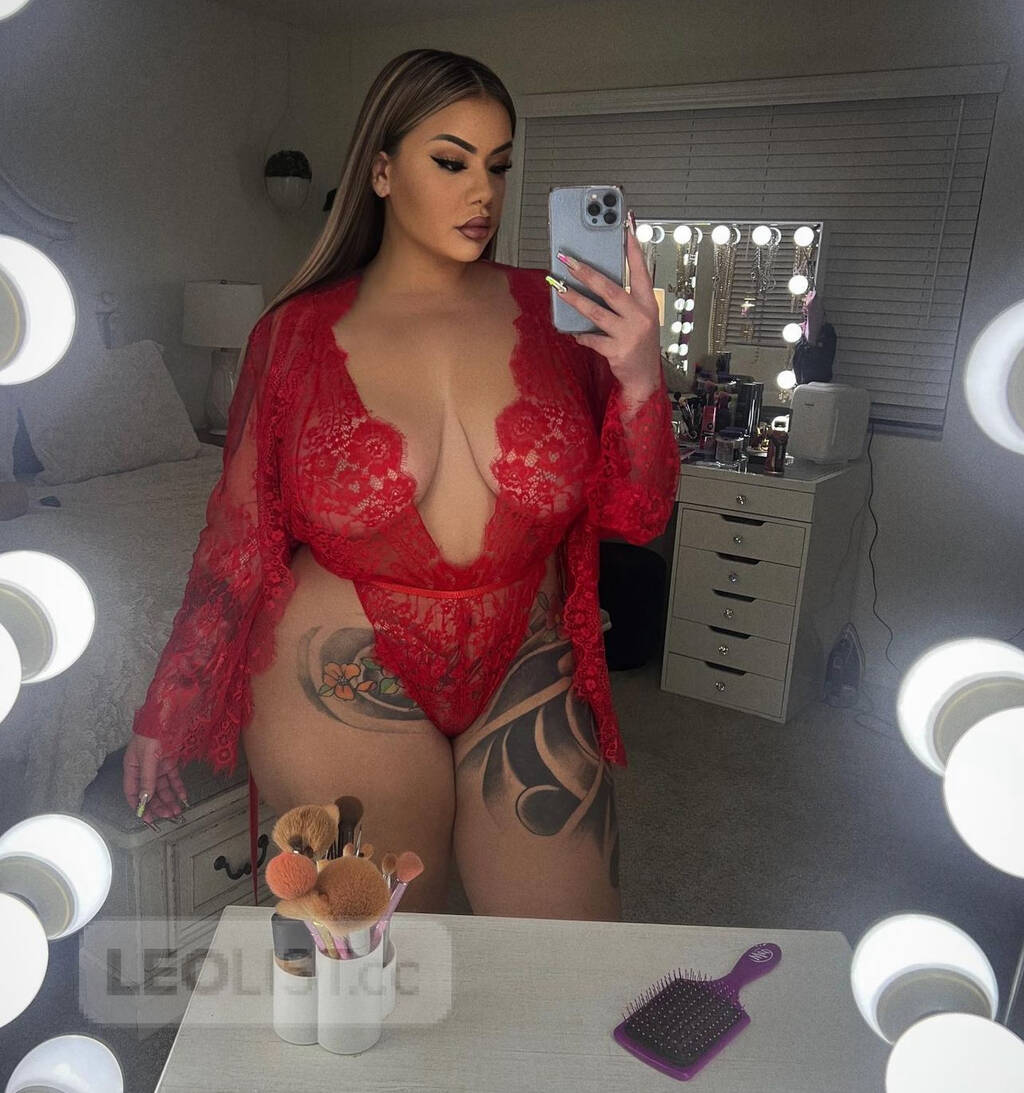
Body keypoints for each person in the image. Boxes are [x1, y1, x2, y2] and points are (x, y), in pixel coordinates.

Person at [123, 48, 678, 920]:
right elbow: (236, 540)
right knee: (382, 956)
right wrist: (166, 706)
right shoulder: (294, 335)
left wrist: (642, 375)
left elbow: (636, 513)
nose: (483, 192)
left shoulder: (561, 319)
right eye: (451, 162)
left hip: (525, 659)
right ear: (381, 171)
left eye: (499, 166)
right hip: (338, 677)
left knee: (570, 961)